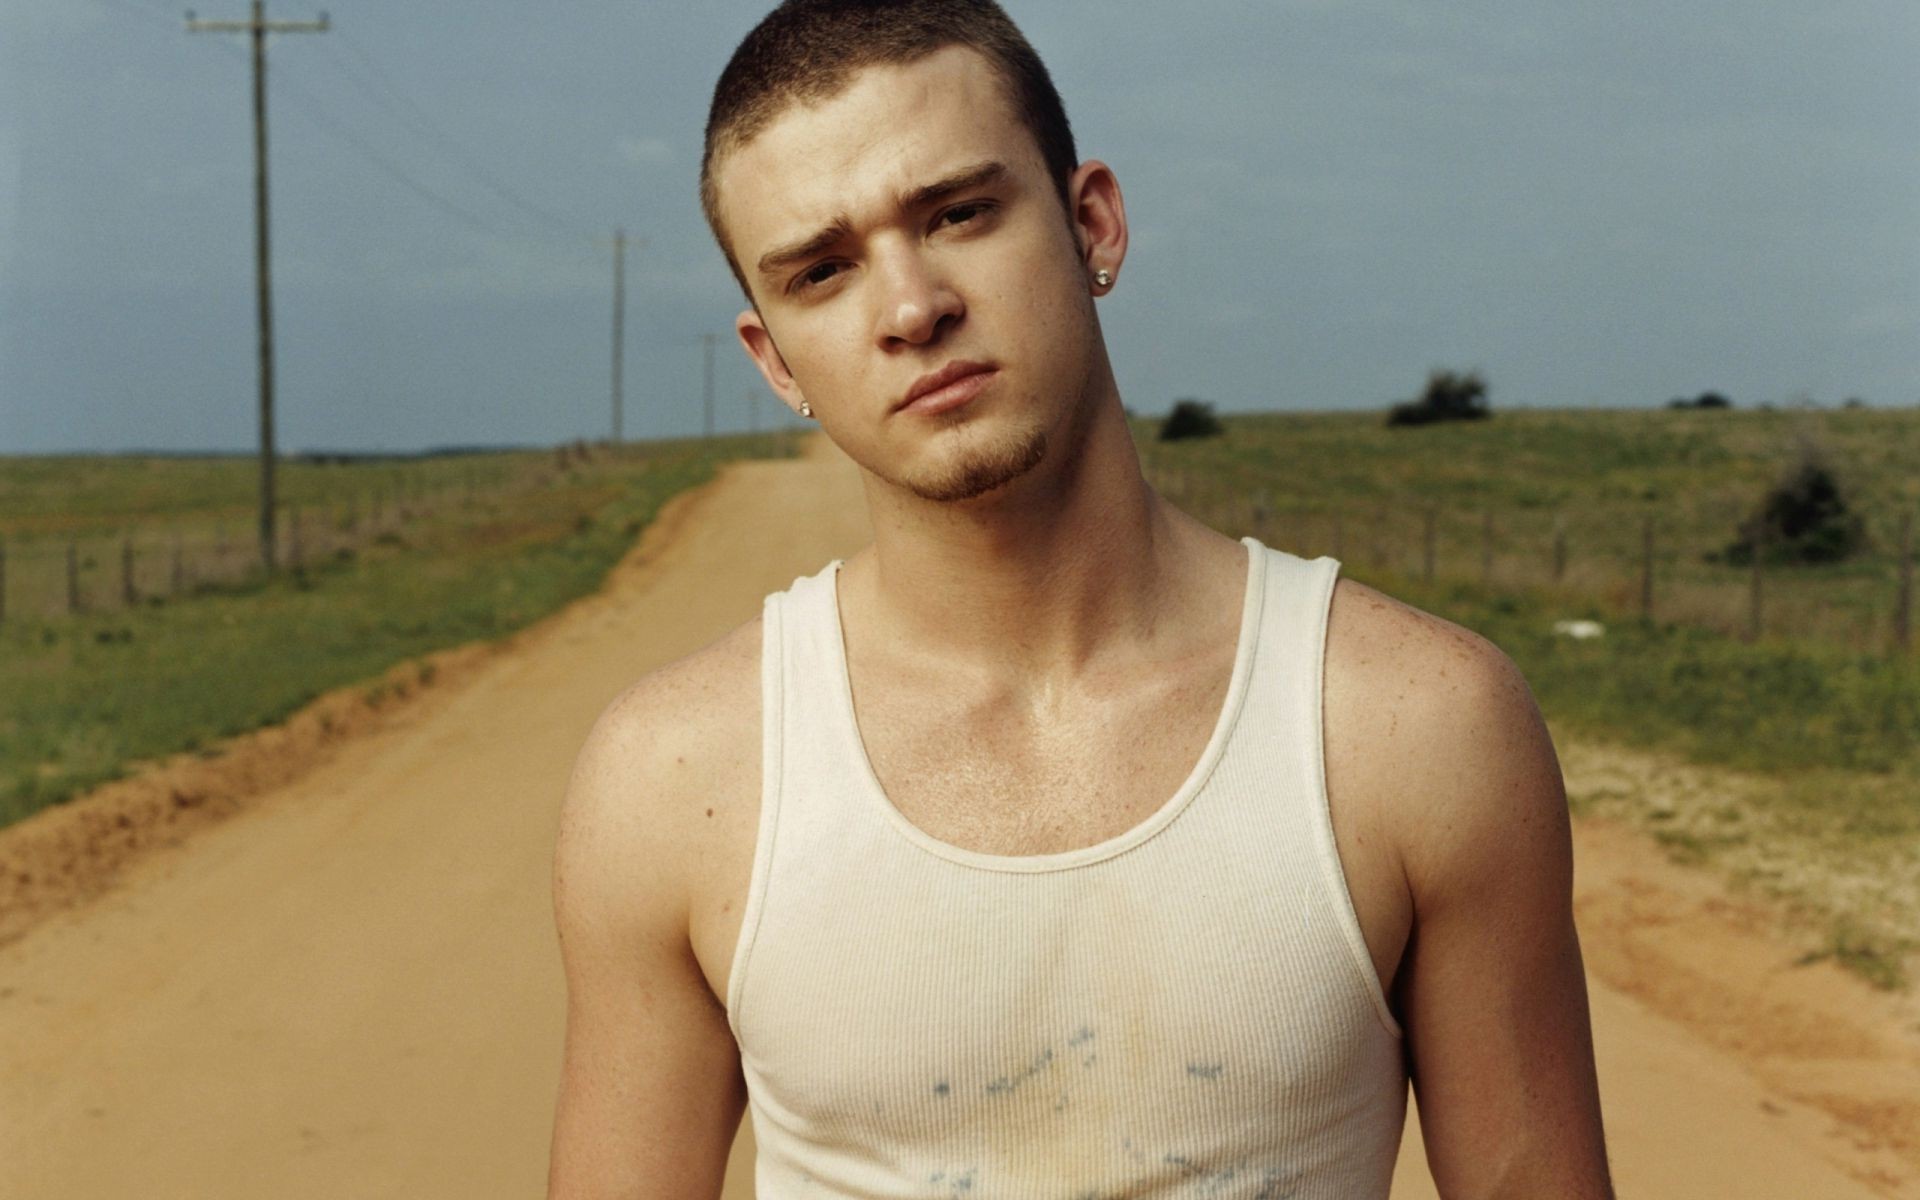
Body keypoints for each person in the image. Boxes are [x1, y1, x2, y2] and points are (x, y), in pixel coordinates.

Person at [547, 1, 1614, 1196]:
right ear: (777, 359)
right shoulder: (672, 781)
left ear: (1090, 221)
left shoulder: (1413, 726)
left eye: (958, 213)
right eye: (824, 270)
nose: (911, 309)